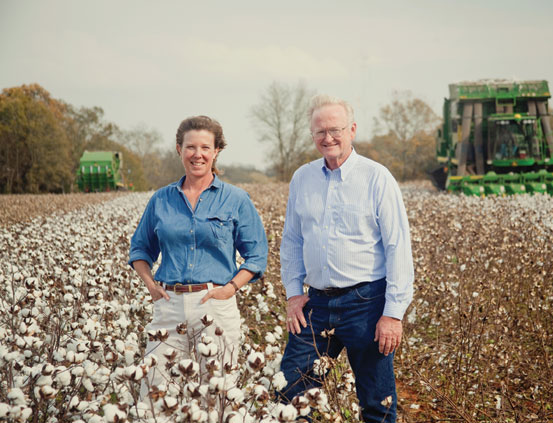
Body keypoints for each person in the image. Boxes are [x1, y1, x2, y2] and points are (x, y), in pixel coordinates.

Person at [279, 95, 414, 422]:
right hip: (316, 305)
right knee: (290, 395)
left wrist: (393, 314)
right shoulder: (302, 178)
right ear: (312, 135)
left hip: (367, 303)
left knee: (376, 403)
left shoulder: (376, 177)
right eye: (319, 131)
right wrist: (294, 293)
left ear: (351, 130)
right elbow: (293, 241)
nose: (328, 138)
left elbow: (397, 246)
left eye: (335, 130)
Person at [129, 115, 268, 399]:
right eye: (191, 147)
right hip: (168, 304)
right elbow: (140, 250)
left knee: (218, 394)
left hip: (215, 303)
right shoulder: (161, 199)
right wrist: (151, 286)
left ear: (216, 151)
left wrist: (229, 289)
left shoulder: (236, 199)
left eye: (205, 147)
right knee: (155, 393)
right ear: (179, 149)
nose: (198, 154)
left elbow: (256, 255)